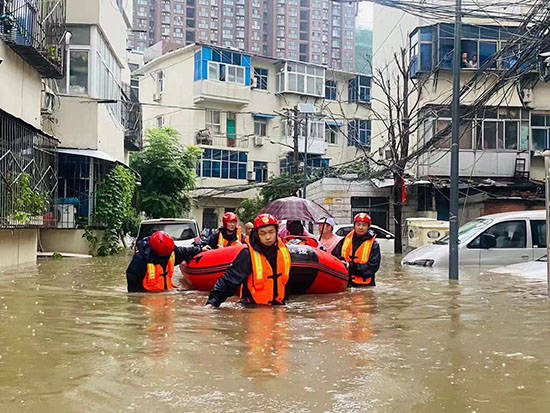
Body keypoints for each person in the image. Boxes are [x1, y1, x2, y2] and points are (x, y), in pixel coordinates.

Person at [206, 213, 291, 307]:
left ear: (276, 232)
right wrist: (212, 304)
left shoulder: (283, 252)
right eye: (263, 233)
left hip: (278, 306)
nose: (268, 237)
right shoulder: (247, 254)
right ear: (257, 234)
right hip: (252, 308)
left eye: (271, 232)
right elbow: (228, 281)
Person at [126, 231, 204, 292]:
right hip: (149, 298)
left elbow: (184, 252)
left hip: (166, 293)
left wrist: (200, 249)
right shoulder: (140, 260)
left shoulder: (170, 250)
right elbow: (133, 289)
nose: (166, 257)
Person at [332, 213, 381, 287]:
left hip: (364, 286)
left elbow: (373, 267)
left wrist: (351, 266)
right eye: (358, 224)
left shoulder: (374, 245)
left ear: (368, 227)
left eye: (364, 225)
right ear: (354, 226)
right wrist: (342, 262)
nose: (360, 227)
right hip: (346, 283)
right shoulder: (345, 240)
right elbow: (334, 256)